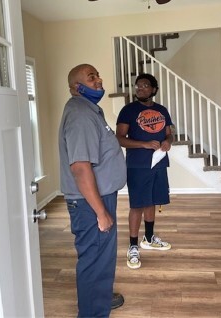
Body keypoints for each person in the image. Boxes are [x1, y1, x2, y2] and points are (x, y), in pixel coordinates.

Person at [59, 63, 127, 318]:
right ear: (78, 87)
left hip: (98, 198)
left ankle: (99, 299)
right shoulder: (80, 114)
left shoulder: (89, 110)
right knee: (94, 261)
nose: (98, 79)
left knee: (101, 258)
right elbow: (80, 167)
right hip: (91, 203)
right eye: (91, 77)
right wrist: (101, 212)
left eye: (97, 75)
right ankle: (92, 313)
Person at [116, 73, 173, 269]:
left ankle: (148, 238)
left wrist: (167, 142)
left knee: (151, 200)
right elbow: (120, 138)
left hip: (158, 163)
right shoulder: (128, 110)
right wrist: (144, 144)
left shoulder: (162, 110)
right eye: (138, 86)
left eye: (145, 86)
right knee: (137, 205)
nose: (140, 89)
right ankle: (132, 246)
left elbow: (169, 134)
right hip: (137, 165)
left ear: (154, 89)